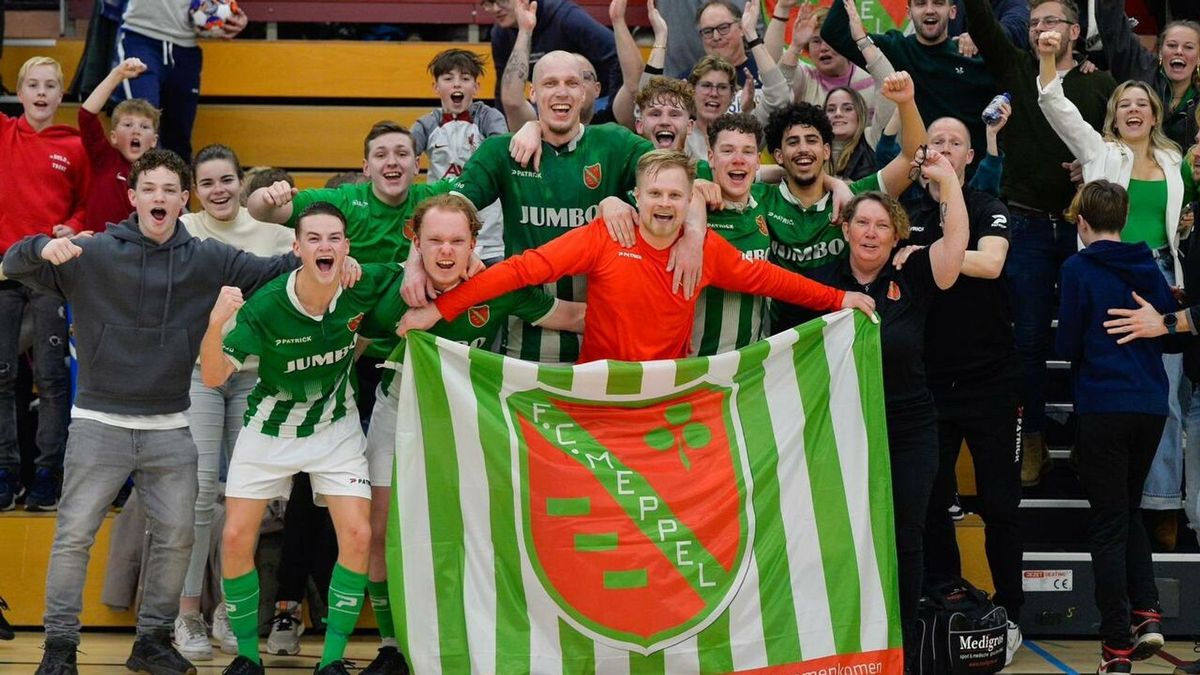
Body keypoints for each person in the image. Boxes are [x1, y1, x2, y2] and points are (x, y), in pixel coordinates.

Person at [1, 149, 299, 675]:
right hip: (98, 425)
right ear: (134, 197)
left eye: (169, 190)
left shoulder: (207, 257)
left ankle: (153, 642)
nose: (159, 198)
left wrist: (327, 249)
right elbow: (11, 263)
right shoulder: (92, 254)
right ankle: (60, 649)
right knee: (73, 537)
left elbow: (279, 270)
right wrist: (45, 246)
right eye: (150, 189)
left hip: (170, 427)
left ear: (183, 200)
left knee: (179, 537)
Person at [399, 150, 876, 360]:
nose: (664, 203)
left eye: (674, 195)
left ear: (689, 198)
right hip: (599, 389)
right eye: (655, 194)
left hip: (667, 390)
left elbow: (772, 281)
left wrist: (841, 300)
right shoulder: (606, 234)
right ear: (637, 196)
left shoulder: (705, 248)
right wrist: (438, 309)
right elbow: (521, 270)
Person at [200, 203, 398, 675]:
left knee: (358, 534)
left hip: (335, 427)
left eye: (334, 238)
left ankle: (331, 661)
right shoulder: (268, 304)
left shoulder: (362, 282)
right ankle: (247, 656)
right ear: (297, 247)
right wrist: (213, 325)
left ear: (347, 247)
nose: (325, 246)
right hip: (270, 428)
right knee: (233, 537)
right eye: (314, 238)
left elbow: (413, 268)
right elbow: (212, 376)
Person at [795, 151, 969, 672]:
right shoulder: (819, 282)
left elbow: (955, 249)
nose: (871, 234)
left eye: (882, 227)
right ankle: (844, 642)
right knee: (842, 534)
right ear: (846, 229)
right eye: (862, 223)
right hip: (840, 428)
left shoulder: (911, 273)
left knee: (905, 534)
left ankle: (904, 647)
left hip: (910, 427)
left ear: (896, 237)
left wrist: (949, 185)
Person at [1037, 29, 1195, 549]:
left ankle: (1161, 506)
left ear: (1153, 113)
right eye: (1123, 104)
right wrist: (1045, 56)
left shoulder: (1175, 163)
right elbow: (1054, 104)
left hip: (1160, 280)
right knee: (1101, 386)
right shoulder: (1099, 151)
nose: (1132, 109)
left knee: (1167, 399)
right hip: (1106, 277)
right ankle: (1108, 480)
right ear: (1114, 115)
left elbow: (1177, 222)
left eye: (1140, 103)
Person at [407, 51, 665, 365]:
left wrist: (621, 201)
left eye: (572, 82)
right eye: (550, 83)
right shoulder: (502, 150)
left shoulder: (614, 143)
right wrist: (415, 262)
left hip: (604, 331)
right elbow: (450, 208)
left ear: (584, 93)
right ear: (534, 93)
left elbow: (672, 177)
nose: (561, 91)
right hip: (525, 333)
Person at [963, 0, 1116, 484]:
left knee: (1091, 337)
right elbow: (984, 25)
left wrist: (1089, 166)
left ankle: (1091, 439)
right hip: (1025, 225)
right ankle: (1033, 440)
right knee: (1026, 341)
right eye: (1032, 23)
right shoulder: (1015, 69)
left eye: (1050, 22)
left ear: (1075, 31)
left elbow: (1116, 149)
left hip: (1084, 227)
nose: (1039, 30)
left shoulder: (1100, 82)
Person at [169, 144, 296, 662]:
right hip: (200, 375)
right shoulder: (185, 233)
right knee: (199, 496)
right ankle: (187, 613)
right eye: (208, 184)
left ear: (242, 184)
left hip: (254, 377)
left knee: (248, 497)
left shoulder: (276, 236)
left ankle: (230, 609)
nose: (219, 191)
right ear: (194, 192)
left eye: (227, 181)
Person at [907, 117, 1024, 665]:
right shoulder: (909, 215)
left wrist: (922, 260)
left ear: (971, 155)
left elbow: (991, 261)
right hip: (931, 381)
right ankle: (950, 604)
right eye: (937, 141)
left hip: (992, 381)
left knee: (1001, 503)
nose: (946, 148)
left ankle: (1014, 612)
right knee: (931, 502)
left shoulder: (986, 204)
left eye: (956, 141)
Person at [1055, 180, 1178, 674]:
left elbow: (1066, 346)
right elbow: (1167, 330)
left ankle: (1115, 650)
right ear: (1124, 219)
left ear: (1082, 221)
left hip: (1103, 405)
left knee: (1108, 523)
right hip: (1149, 406)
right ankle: (1147, 614)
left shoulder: (1077, 267)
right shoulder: (1148, 264)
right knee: (1127, 509)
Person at [763, 72, 928, 330]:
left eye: (812, 141)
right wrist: (764, 172)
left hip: (843, 331)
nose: (803, 149)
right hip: (784, 337)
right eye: (793, 142)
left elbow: (914, 158)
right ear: (779, 155)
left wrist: (906, 102)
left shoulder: (857, 198)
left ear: (826, 150)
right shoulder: (761, 200)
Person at [0, 56, 87, 513]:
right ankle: (6, 471)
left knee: (52, 378)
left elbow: (84, 204)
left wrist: (71, 226)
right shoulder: (4, 132)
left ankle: (49, 473)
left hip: (51, 273)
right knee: (2, 375)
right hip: (4, 271)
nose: (40, 92)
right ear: (18, 91)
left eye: (50, 85)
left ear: (60, 94)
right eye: (32, 84)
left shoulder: (73, 145)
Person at [821, 0, 996, 167]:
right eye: (920, 3)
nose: (929, 10)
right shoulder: (895, 49)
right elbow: (833, 31)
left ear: (952, 12)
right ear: (909, 13)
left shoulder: (971, 57)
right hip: (912, 177)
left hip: (968, 180)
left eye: (938, 3)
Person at [109, 0, 248, 161]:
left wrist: (231, 14)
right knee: (141, 126)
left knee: (178, 142)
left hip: (186, 47)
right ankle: (133, 184)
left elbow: (218, 5)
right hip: (141, 36)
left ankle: (177, 185)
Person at [411, 49, 509, 266]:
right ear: (436, 87)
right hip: (441, 236)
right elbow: (404, 155)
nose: (457, 84)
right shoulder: (427, 124)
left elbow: (501, 150)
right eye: (448, 78)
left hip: (489, 239)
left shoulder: (489, 118)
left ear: (476, 87)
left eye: (465, 79)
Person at [689, 113, 773, 356]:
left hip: (751, 362)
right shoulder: (686, 203)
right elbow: (637, 201)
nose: (738, 160)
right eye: (727, 151)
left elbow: (801, 179)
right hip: (695, 361)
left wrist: (835, 183)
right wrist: (612, 203)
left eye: (747, 152)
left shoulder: (766, 200)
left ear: (758, 161)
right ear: (711, 158)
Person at [1092, 3, 1199, 150]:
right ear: (1160, 51)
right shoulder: (1140, 71)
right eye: (1172, 45)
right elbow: (1113, 28)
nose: (1179, 51)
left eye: (1188, 47)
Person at [485, 0, 621, 113]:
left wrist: (612, 105)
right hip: (549, 103)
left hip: (597, 100)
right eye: (487, 3)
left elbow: (616, 52)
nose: (495, 9)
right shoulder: (499, 34)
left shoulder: (567, 17)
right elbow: (504, 84)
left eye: (502, 1)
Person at [79, 57, 158, 233]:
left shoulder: (160, 172)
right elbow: (86, 115)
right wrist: (117, 74)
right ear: (113, 137)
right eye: (128, 125)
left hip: (140, 253)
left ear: (154, 140)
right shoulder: (104, 158)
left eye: (144, 126)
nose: (136, 131)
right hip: (98, 251)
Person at [768, 1, 878, 119]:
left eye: (830, 40)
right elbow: (770, 70)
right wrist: (795, 45)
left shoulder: (872, 77)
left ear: (846, 41)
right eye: (816, 41)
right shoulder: (805, 78)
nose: (824, 48)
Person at [825, 87, 877, 180]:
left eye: (848, 109)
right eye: (831, 110)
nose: (838, 114)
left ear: (860, 114)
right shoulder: (814, 148)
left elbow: (888, 103)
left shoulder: (871, 138)